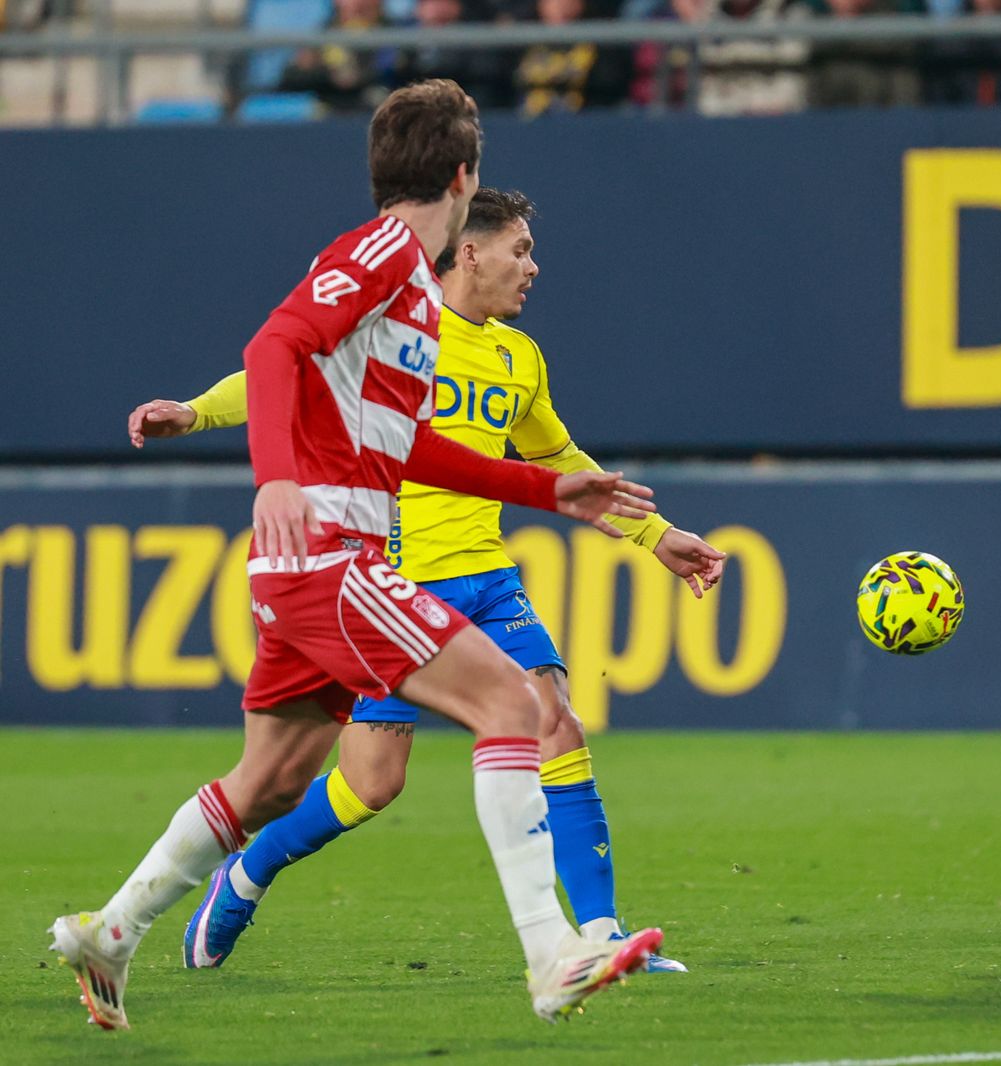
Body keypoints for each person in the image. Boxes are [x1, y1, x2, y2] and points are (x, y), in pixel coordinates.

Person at [52, 79, 666, 1031]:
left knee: (272, 780)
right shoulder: (381, 253)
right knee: (513, 701)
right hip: (328, 554)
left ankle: (112, 929)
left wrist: (546, 488)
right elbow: (273, 348)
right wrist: (275, 478)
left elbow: (402, 447)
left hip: (313, 561)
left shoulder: (408, 291)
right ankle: (553, 955)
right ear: (464, 178)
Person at [128, 186, 723, 977]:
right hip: (391, 584)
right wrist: (195, 414)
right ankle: (249, 868)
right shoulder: (400, 324)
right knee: (372, 782)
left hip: (486, 578)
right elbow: (292, 372)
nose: (532, 268)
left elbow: (557, 460)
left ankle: (602, 935)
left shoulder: (520, 357)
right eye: (520, 250)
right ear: (470, 251)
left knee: (557, 724)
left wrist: (656, 535)